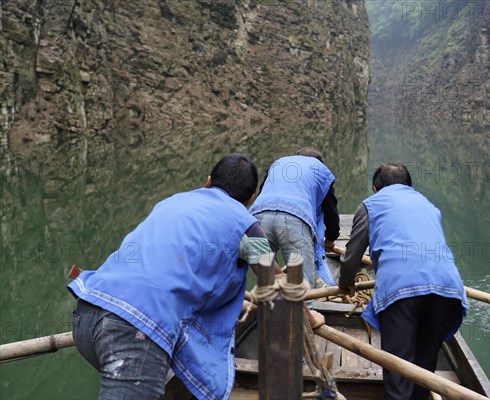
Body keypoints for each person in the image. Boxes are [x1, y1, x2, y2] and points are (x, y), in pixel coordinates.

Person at [67, 153, 282, 400]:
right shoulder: (247, 226)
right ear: (250, 199)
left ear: (208, 181)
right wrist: (311, 316)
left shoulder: (173, 201)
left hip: (88, 313)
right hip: (136, 331)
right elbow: (276, 285)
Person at [338, 161, 468, 400]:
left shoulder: (371, 204)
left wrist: (345, 283)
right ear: (409, 186)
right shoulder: (429, 205)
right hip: (447, 287)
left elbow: (352, 257)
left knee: (398, 369)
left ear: (375, 189)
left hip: (401, 289)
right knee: (424, 368)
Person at [249, 147, 340, 295]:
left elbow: (263, 193)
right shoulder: (320, 170)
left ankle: (270, 311)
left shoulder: (278, 163)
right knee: (302, 288)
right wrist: (330, 238)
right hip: (294, 219)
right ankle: (307, 315)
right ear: (320, 162)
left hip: (257, 218)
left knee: (268, 280)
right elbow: (330, 211)